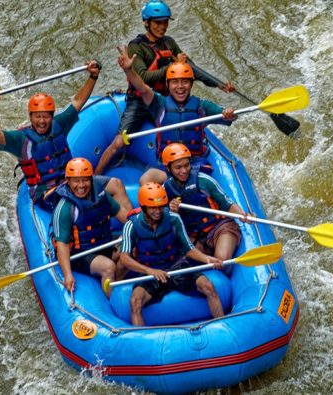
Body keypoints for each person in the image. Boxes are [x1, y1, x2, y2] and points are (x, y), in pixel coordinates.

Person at [94, 0, 235, 176]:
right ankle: (95, 177)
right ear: (147, 22)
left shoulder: (169, 43)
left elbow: (190, 70)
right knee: (118, 143)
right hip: (140, 101)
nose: (163, 27)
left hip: (165, 101)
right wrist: (171, 66)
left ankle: (188, 167)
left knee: (181, 130)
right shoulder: (136, 46)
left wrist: (220, 85)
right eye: (158, 22)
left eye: (165, 22)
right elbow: (144, 77)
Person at [0, 61, 131, 212]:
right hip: (47, 193)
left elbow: (78, 101)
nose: (42, 121)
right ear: (30, 117)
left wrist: (93, 76)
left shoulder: (59, 124)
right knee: (82, 202)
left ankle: (133, 227)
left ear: (52, 116)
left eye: (46, 117)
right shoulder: (21, 139)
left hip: (73, 182)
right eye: (37, 117)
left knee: (116, 184)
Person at [98, 48, 238, 185]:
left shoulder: (202, 106)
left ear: (191, 84)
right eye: (175, 82)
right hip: (166, 164)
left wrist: (229, 113)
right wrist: (128, 70)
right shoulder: (159, 103)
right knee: (145, 180)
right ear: (168, 84)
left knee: (193, 185)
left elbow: (230, 116)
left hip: (193, 163)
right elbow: (142, 88)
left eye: (185, 82)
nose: (180, 87)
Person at [119, 182, 225, 326]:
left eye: (161, 206)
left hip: (177, 265)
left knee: (209, 287)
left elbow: (189, 248)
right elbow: (124, 258)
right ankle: (145, 342)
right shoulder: (131, 226)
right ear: (144, 207)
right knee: (135, 302)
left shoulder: (174, 218)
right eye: (153, 207)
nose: (158, 211)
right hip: (150, 271)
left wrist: (207, 259)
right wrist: (149, 271)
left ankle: (221, 326)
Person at [162, 143, 249, 275]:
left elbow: (227, 203)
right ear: (168, 168)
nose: (184, 171)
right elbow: (158, 216)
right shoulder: (166, 189)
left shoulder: (204, 180)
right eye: (178, 167)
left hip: (221, 227)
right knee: (181, 263)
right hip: (197, 236)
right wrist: (170, 210)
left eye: (186, 165)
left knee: (222, 261)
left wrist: (242, 215)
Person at [51, 158, 128, 297]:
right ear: (68, 181)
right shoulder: (65, 208)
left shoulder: (100, 195)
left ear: (91, 179)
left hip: (105, 244)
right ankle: (111, 300)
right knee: (108, 266)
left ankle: (117, 282)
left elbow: (124, 216)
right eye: (76, 181)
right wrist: (68, 275)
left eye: (85, 180)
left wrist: (141, 229)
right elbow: (62, 245)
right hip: (81, 253)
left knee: (132, 246)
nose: (81, 185)